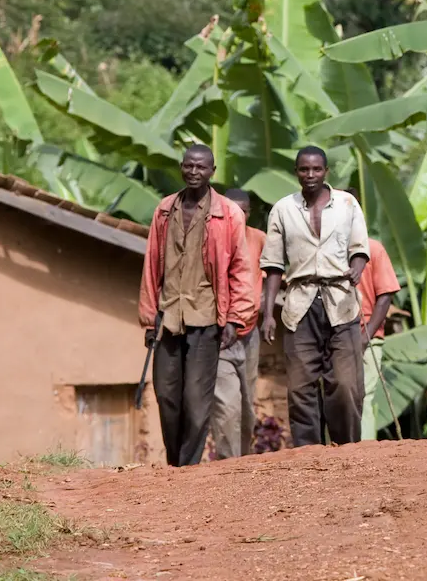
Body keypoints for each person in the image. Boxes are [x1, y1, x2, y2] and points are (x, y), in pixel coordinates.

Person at [137, 146, 256, 466]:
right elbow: (152, 264)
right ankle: (175, 463)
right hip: (168, 316)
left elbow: (241, 269)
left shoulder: (228, 213)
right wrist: (149, 318)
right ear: (181, 167)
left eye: (201, 167)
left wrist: (235, 319)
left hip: (206, 317)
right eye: (188, 166)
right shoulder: (165, 210)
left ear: (212, 171)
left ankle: (187, 466)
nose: (194, 172)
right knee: (166, 394)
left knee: (196, 398)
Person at [261, 146, 370, 447]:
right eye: (304, 169)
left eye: (316, 169)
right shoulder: (283, 209)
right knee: (300, 388)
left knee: (345, 386)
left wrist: (357, 269)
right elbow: (273, 265)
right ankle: (308, 455)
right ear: (296, 172)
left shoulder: (347, 204)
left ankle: (347, 450)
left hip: (341, 302)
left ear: (326, 172)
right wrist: (268, 314)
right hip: (299, 304)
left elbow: (360, 249)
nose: (310, 175)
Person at [210, 188, 266, 459]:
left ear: (249, 213)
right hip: (221, 334)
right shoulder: (213, 237)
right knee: (226, 405)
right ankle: (227, 463)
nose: (236, 215)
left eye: (242, 211)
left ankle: (242, 464)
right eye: (231, 209)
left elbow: (272, 275)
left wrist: (268, 312)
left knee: (247, 406)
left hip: (250, 332)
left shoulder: (259, 239)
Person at [357, 228, 401, 440]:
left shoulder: (373, 249)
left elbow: (385, 297)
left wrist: (365, 337)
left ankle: (364, 451)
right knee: (337, 399)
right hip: (336, 338)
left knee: (363, 397)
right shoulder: (329, 248)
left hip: (368, 336)